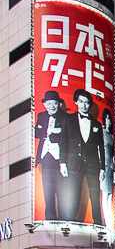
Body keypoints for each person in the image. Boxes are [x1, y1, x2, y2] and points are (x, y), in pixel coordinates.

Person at [34, 90, 73, 220]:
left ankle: (63, 219)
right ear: (45, 104)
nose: (52, 106)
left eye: (54, 103)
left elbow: (68, 137)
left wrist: (57, 132)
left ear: (59, 104)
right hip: (46, 157)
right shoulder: (41, 116)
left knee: (62, 191)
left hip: (60, 157)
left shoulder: (66, 117)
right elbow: (36, 133)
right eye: (49, 103)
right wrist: (49, 131)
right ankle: (50, 219)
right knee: (47, 190)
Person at [73, 89, 105, 225]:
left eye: (87, 103)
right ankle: (70, 218)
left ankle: (97, 221)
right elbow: (65, 141)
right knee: (74, 191)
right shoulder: (69, 119)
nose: (84, 105)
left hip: (93, 165)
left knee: (94, 194)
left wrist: (102, 168)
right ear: (76, 102)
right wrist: (63, 163)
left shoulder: (97, 124)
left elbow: (101, 148)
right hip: (75, 163)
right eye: (81, 102)